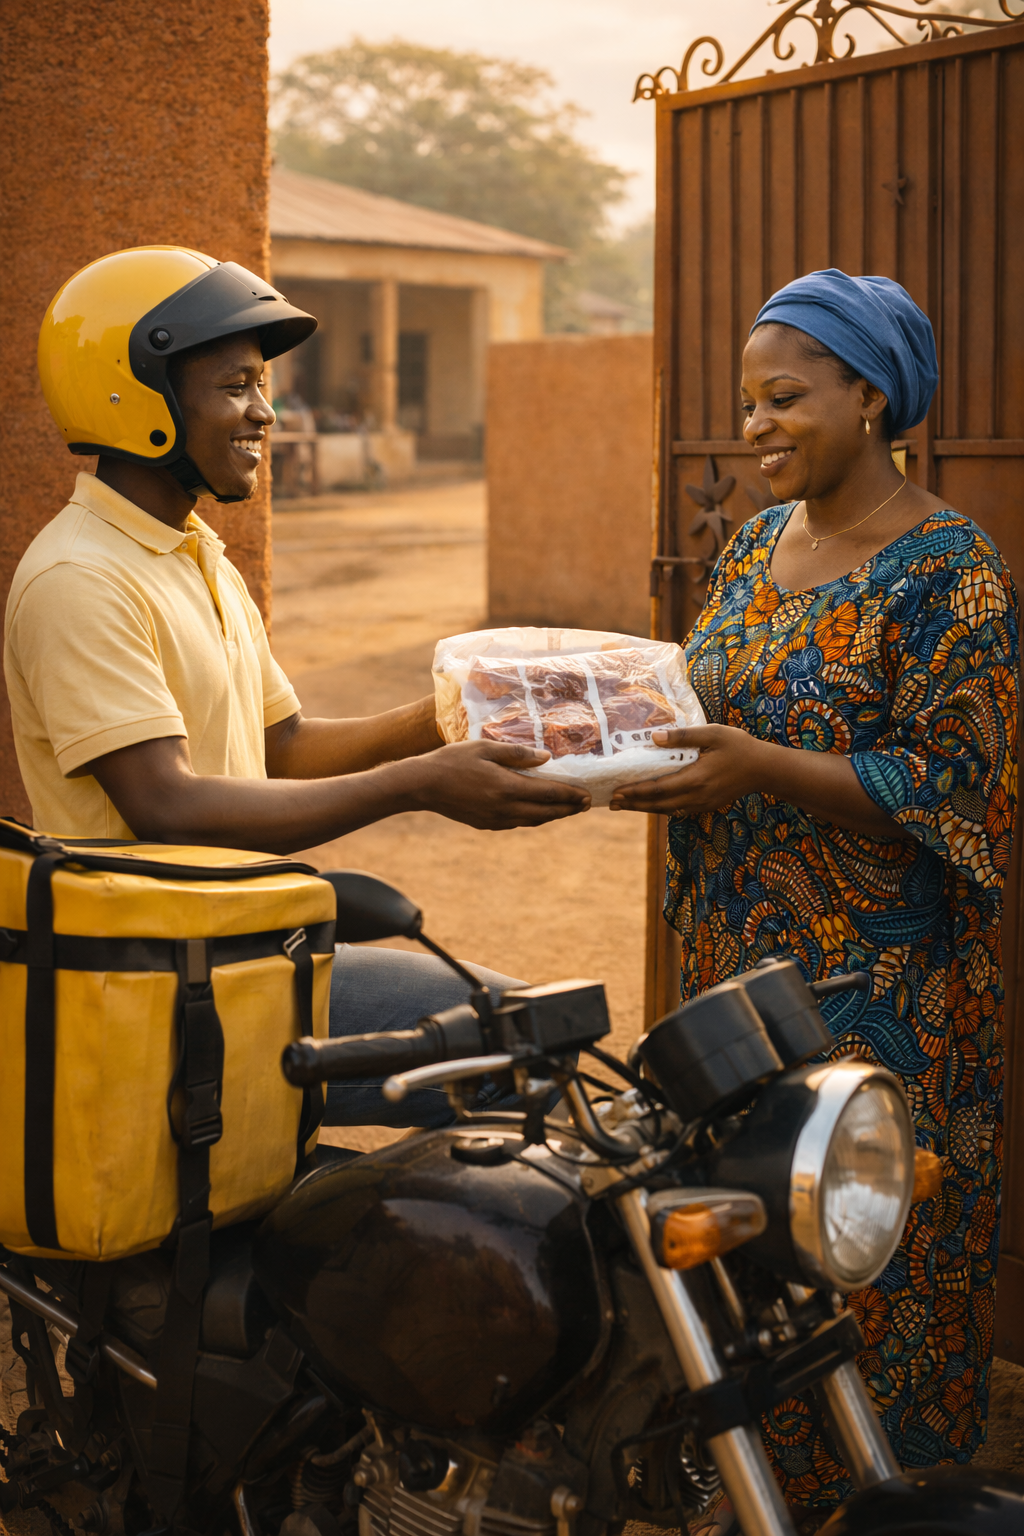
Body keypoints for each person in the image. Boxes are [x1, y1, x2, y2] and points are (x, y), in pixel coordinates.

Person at [5, 245, 589, 1128]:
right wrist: (419, 786)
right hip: (162, 986)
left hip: (244, 954)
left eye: (262, 385)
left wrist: (452, 715)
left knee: (541, 1042)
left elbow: (281, 746)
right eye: (236, 385)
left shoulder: (195, 552)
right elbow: (167, 805)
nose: (265, 412)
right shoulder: (81, 579)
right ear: (139, 396)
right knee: (529, 1055)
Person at [611, 270, 1019, 1529]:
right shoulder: (752, 543)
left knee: (861, 1276)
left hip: (881, 1007)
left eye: (783, 398)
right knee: (741, 1272)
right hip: (738, 995)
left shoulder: (950, 572)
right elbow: (704, 702)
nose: (756, 428)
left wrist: (756, 766)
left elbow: (965, 789)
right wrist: (641, 748)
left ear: (871, 393)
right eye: (747, 405)